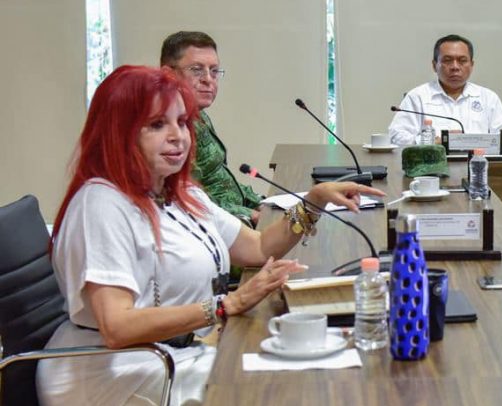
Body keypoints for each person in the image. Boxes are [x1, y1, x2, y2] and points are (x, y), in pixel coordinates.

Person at [36, 65, 384, 405]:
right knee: (278, 385)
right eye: (157, 125)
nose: (178, 136)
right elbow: (117, 326)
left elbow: (259, 247)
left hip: (176, 352)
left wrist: (313, 202)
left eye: (182, 122)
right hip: (114, 373)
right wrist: (224, 306)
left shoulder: (178, 193)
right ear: (119, 132)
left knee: (306, 366)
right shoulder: (101, 205)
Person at [160, 31, 261, 227]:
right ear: (168, 74)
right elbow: (186, 198)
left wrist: (259, 201)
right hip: (212, 227)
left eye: (214, 71)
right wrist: (249, 213)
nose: (208, 79)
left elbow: (219, 178)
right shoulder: (169, 130)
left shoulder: (199, 115)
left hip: (237, 216)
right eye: (197, 70)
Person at [388, 34, 502, 146]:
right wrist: (433, 142)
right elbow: (396, 137)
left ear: (472, 65)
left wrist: (473, 142)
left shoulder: (488, 97)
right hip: (431, 164)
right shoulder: (417, 96)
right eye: (447, 60)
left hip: (477, 162)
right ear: (434, 65)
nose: (455, 67)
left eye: (462, 61)